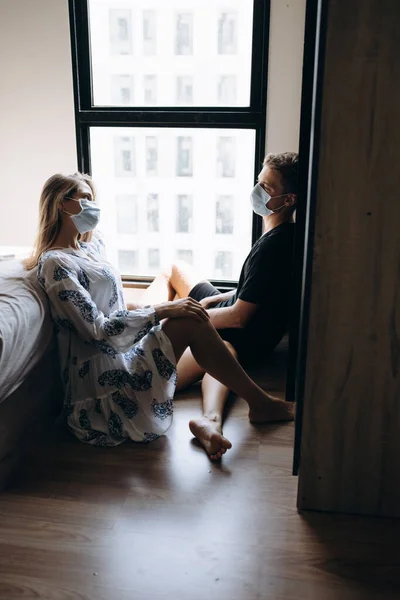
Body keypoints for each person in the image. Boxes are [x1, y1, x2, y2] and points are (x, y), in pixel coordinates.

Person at [24, 172, 294, 454]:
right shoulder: (56, 264)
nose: (93, 206)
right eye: (85, 198)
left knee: (189, 315)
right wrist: (162, 310)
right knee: (187, 317)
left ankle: (251, 406)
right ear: (61, 204)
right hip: (105, 386)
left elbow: (111, 304)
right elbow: (98, 332)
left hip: (124, 354)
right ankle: (259, 403)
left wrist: (150, 313)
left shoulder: (89, 248)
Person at [136, 152, 298, 459]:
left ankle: (144, 326)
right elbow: (257, 290)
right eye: (258, 183)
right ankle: (143, 315)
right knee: (174, 269)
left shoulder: (275, 246)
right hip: (244, 315)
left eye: (267, 188)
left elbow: (238, 318)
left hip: (243, 332)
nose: (258, 191)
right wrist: (216, 298)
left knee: (198, 346)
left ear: (288, 200)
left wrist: (189, 315)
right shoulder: (279, 233)